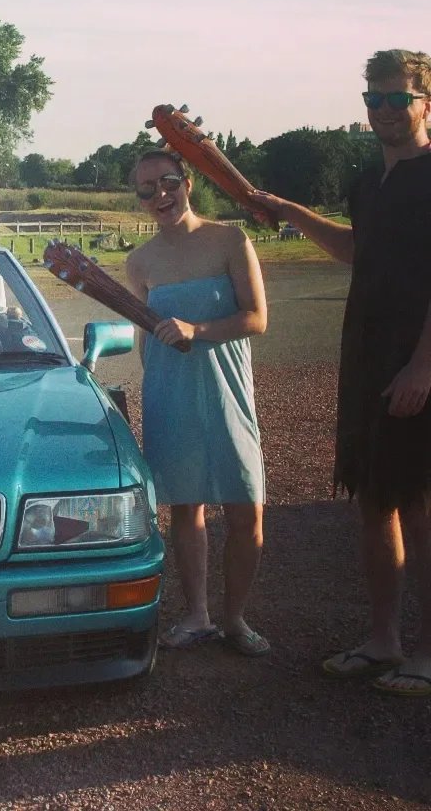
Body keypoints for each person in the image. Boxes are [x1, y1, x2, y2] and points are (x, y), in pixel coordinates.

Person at [253, 49, 431, 697]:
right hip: (365, 360)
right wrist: (293, 211)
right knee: (374, 504)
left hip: (415, 366)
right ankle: (383, 640)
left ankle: (427, 652)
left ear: (425, 102)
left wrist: (422, 365)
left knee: (418, 506)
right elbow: (360, 252)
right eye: (373, 99)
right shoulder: (367, 184)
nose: (382, 110)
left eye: (396, 99)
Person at [125, 149, 270, 656]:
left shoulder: (229, 239)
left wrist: (198, 330)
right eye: (146, 189)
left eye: (167, 182)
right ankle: (198, 616)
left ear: (186, 181)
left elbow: (256, 318)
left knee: (247, 507)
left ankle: (235, 620)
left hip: (228, 387)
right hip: (171, 391)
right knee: (186, 509)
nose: (159, 195)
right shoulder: (140, 262)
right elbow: (147, 334)